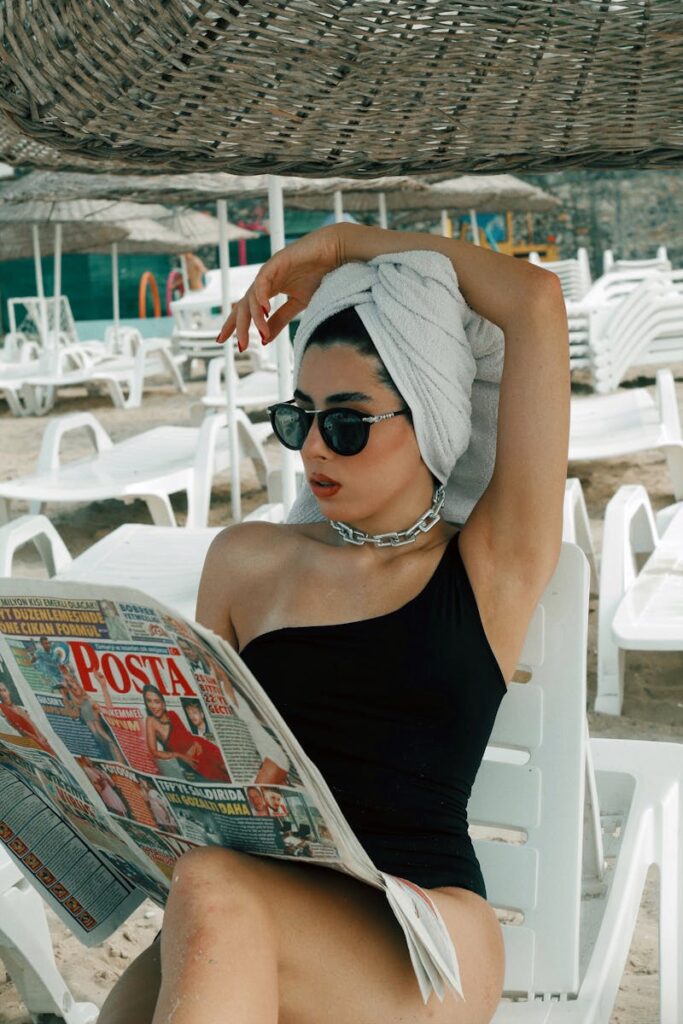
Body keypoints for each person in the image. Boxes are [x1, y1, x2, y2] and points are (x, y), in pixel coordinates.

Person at [98, 222, 569, 1024]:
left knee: (210, 893)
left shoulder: (489, 565)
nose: (314, 448)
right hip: (257, 904)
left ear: (427, 417)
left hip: (424, 935)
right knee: (187, 920)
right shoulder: (249, 561)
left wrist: (348, 245)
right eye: (298, 418)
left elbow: (534, 302)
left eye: (347, 423)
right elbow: (208, 784)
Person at [142, 684, 231, 783]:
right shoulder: (150, 721)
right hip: (191, 758)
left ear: (163, 703)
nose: (153, 706)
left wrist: (195, 742)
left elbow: (185, 734)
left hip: (200, 745)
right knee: (218, 777)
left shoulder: (172, 714)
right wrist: (180, 756)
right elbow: (154, 752)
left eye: (157, 702)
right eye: (149, 701)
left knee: (225, 766)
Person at [0, 680, 53, 754]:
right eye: (0, 692)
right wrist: (37, 739)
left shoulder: (20, 709)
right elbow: (21, 730)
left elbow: (31, 723)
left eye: (4, 690)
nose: (2, 694)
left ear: (9, 691)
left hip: (38, 740)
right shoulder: (3, 710)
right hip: (31, 743)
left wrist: (40, 735)